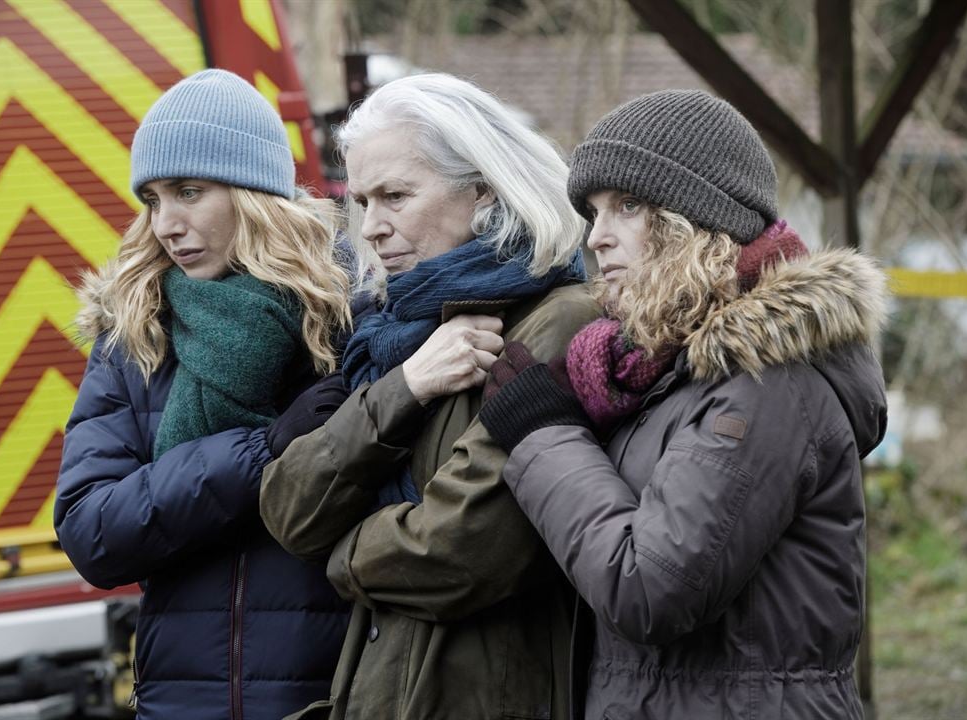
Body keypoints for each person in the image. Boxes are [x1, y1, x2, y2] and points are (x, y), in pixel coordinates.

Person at [477, 89, 888, 720]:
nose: (598, 237)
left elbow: (650, 589)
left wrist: (544, 437)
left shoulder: (766, 377)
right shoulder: (662, 369)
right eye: (593, 211)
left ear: (697, 221)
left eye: (628, 206)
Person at [259, 73, 601, 720]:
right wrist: (406, 387)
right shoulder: (386, 335)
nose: (374, 228)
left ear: (485, 192)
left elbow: (463, 552)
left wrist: (345, 551)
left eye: (396, 196)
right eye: (362, 202)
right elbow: (288, 510)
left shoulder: (558, 322)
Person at [55, 69, 353, 720]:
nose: (166, 223)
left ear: (254, 195)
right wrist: (262, 452)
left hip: (334, 696)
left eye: (189, 192)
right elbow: (91, 533)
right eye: (154, 199)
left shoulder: (342, 324)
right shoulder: (135, 337)